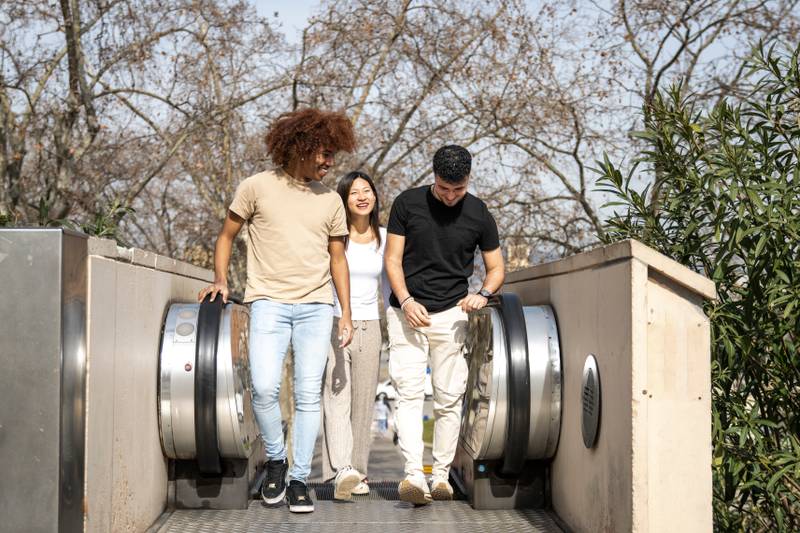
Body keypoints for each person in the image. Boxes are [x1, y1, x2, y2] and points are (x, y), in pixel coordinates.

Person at [197, 108, 357, 514]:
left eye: (333, 155)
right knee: (264, 388)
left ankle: (299, 478)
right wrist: (220, 279)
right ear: (299, 147)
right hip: (266, 302)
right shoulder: (256, 187)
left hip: (316, 307)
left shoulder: (331, 202)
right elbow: (226, 234)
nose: (329, 162)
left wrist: (346, 313)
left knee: (307, 395)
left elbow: (338, 259)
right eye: (324, 153)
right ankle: (276, 460)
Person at [384, 144, 505, 505]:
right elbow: (392, 260)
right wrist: (406, 300)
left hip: (453, 314)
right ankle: (411, 476)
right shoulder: (407, 204)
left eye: (459, 189)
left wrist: (482, 293)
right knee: (406, 394)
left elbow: (496, 268)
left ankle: (439, 477)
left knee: (449, 399)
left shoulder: (480, 213)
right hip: (406, 311)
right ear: (433, 177)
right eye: (443, 188)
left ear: (468, 181)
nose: (451, 196)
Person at [320, 171, 390, 500]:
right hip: (335, 321)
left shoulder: (387, 238)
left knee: (363, 402)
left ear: (375, 197)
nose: (361, 196)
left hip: (371, 325)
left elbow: (390, 286)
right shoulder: (335, 237)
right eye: (353, 193)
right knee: (337, 398)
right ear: (344, 200)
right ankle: (341, 469)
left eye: (367, 191)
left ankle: (358, 472)